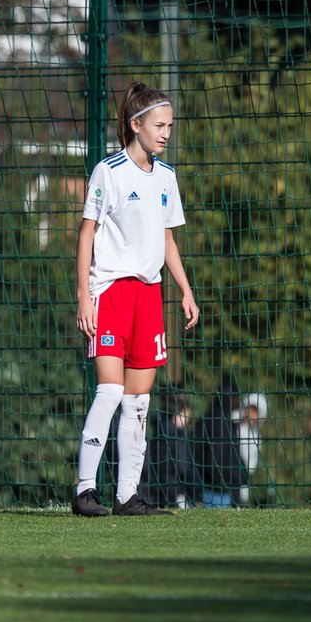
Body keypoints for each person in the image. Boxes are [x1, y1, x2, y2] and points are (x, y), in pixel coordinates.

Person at [71, 82, 200, 517]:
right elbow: (87, 232)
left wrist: (184, 289)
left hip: (149, 296)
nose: (166, 133)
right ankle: (85, 489)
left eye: (169, 126)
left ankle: (128, 495)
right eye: (159, 125)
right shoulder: (108, 171)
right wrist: (84, 297)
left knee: (139, 403)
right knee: (108, 391)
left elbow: (166, 239)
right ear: (135, 125)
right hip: (111, 292)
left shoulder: (166, 177)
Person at [141, 384, 201, 509]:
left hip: (155, 488)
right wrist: (195, 491)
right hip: (176, 491)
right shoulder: (174, 433)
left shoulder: (158, 427)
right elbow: (183, 466)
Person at [193, 379, 247, 508]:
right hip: (217, 491)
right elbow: (216, 459)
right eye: (236, 398)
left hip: (214, 487)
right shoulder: (220, 423)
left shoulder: (210, 419)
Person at [234, 392, 268, 506]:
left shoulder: (256, 438)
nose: (252, 414)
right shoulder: (233, 424)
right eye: (250, 409)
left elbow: (250, 466)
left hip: (240, 481)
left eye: (255, 412)